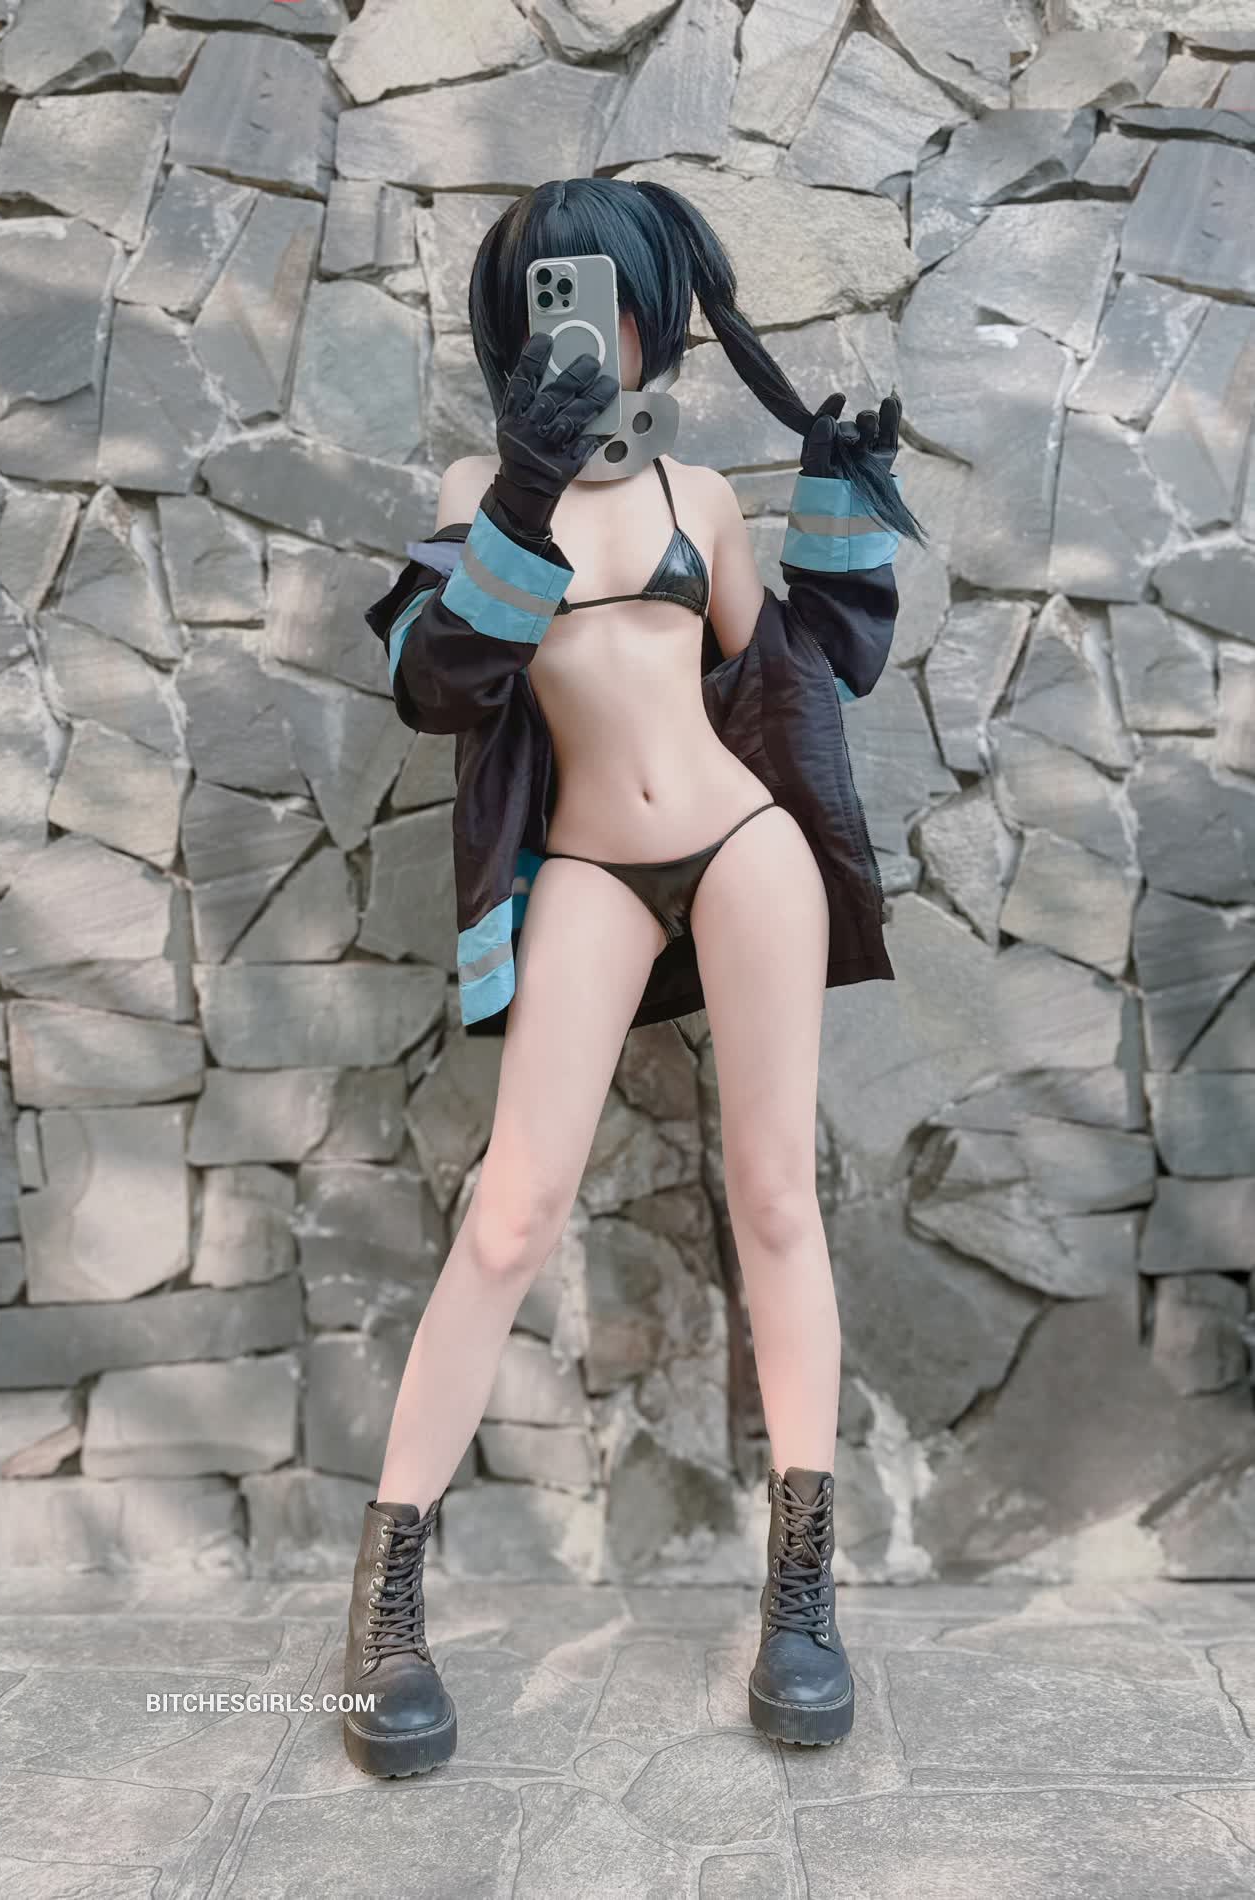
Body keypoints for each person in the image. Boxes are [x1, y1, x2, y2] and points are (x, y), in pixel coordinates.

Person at [341, 176, 922, 1778]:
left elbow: (802, 669)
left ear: (658, 315)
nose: (595, 327)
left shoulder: (697, 494)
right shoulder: (477, 489)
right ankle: (383, 1606)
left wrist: (842, 496)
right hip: (588, 867)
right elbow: (438, 683)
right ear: (516, 316)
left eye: (617, 296)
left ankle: (800, 1602)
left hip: (741, 846)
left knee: (776, 1201)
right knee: (510, 1213)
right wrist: (527, 491)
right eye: (558, 294)